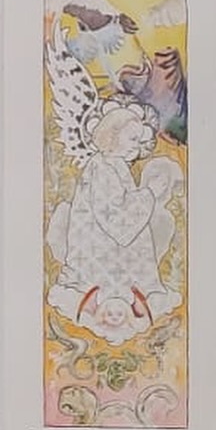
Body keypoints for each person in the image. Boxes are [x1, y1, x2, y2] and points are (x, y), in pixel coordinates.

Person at [47, 101, 182, 344]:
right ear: (113, 135)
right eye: (132, 139)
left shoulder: (114, 165)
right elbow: (114, 219)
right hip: (101, 250)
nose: (137, 145)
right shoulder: (103, 168)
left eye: (139, 140)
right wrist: (149, 193)